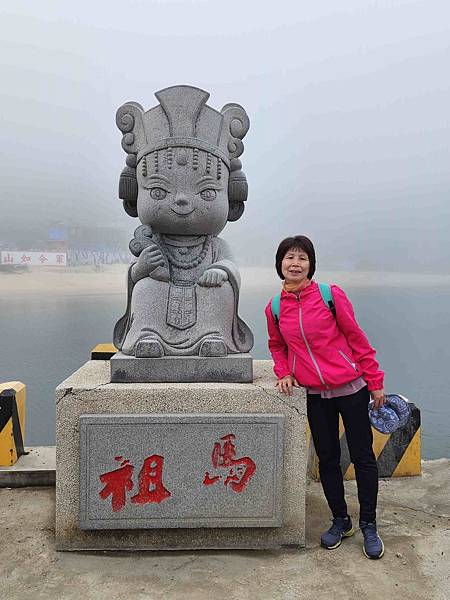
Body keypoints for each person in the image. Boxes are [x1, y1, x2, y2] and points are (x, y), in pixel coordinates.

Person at [265, 235, 385, 559]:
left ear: (310, 265)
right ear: (280, 264)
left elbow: (356, 337)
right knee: (328, 458)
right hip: (316, 395)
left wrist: (375, 380)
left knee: (362, 458)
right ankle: (340, 520)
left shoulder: (330, 296)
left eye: (302, 258)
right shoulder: (275, 307)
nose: (295, 263)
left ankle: (369, 525)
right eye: (289, 257)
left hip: (351, 388)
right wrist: (284, 372)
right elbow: (277, 345)